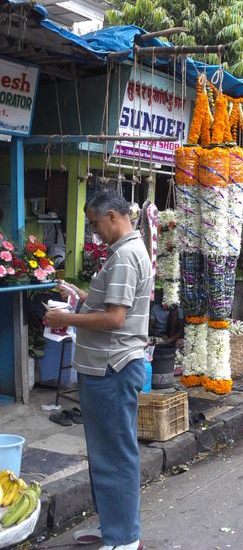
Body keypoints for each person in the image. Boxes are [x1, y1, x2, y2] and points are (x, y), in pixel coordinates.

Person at [44, 190, 153, 550]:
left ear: (112, 217)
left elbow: (114, 318)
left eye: (94, 223)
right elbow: (109, 306)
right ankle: (113, 527)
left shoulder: (124, 256)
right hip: (106, 368)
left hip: (113, 368)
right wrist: (79, 295)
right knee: (106, 454)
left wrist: (65, 317)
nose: (94, 232)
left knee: (116, 455)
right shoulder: (123, 253)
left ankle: (124, 537)